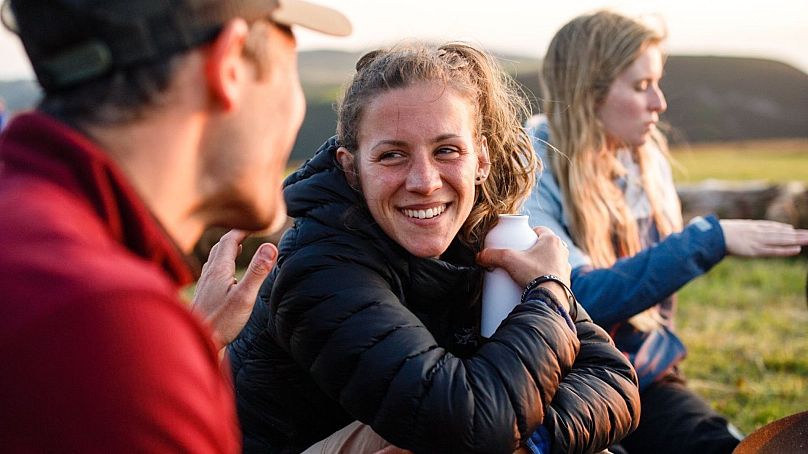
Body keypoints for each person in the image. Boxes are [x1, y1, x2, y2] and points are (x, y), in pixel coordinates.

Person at [228, 41, 641, 454]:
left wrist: (535, 438)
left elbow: (612, 377)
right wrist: (549, 295)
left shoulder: (488, 237)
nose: (424, 182)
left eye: (446, 150)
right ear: (352, 169)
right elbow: (464, 425)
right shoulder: (319, 268)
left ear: (479, 159)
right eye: (392, 155)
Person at [0, 0, 350, 451]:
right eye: (291, 69)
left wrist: (191, 343)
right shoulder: (106, 328)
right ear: (229, 66)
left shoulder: (33, 242)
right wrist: (157, 351)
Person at [521, 10, 808, 454]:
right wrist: (708, 240)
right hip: (562, 384)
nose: (660, 103)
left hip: (646, 376)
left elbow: (657, 310)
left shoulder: (644, 158)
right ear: (589, 92)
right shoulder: (536, 163)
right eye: (641, 86)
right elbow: (571, 298)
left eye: (657, 83)